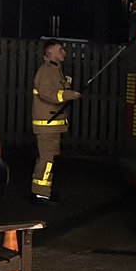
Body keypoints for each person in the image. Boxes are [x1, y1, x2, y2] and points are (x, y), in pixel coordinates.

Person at [30, 38, 80, 204]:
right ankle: (40, 194)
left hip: (52, 126)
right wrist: (68, 95)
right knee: (46, 159)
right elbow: (47, 93)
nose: (63, 53)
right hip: (47, 126)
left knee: (48, 159)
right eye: (60, 49)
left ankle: (44, 191)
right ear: (49, 51)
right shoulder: (46, 70)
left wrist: (66, 90)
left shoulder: (54, 70)